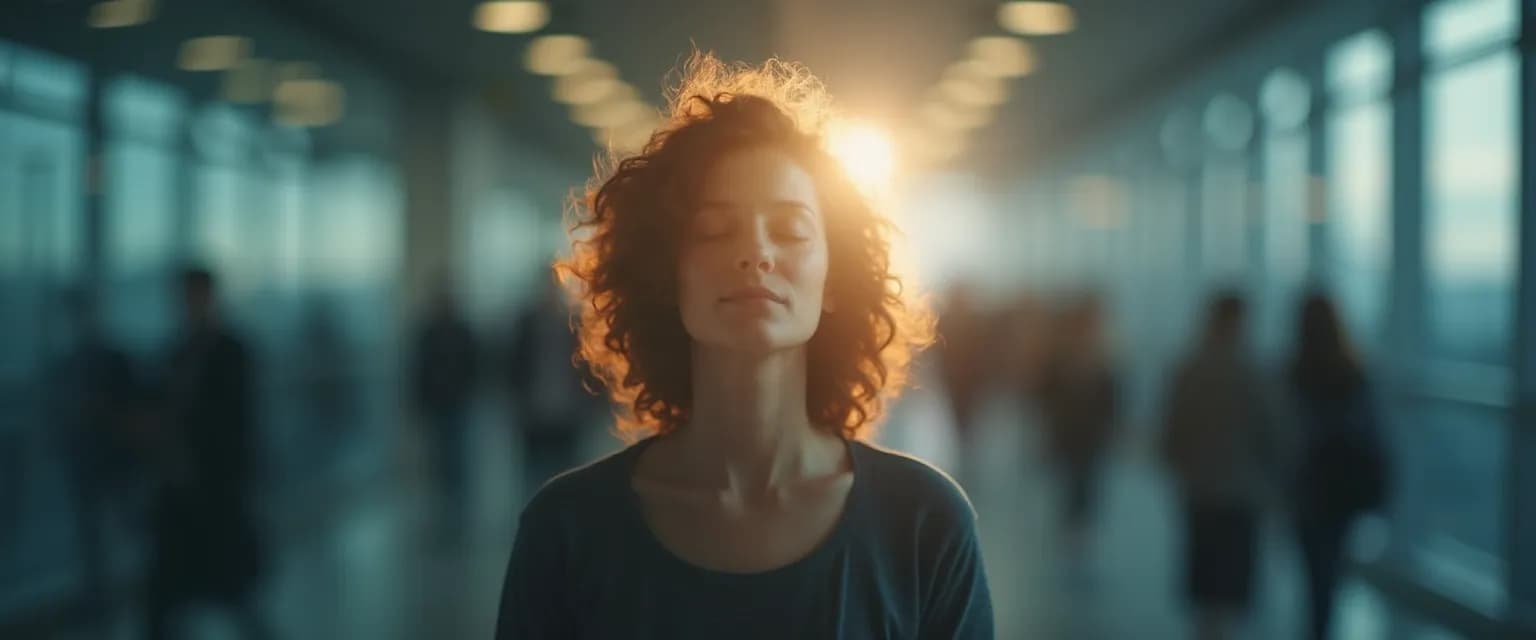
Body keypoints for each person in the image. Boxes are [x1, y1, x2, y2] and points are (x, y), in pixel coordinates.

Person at [495, 53, 992, 638]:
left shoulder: (925, 523)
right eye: (713, 230)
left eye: (790, 231)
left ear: (834, 278)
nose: (756, 254)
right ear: (666, 275)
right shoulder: (567, 530)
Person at [144, 267, 268, 640]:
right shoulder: (177, 349)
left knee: (228, 588)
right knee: (167, 594)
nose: (188, 305)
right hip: (181, 487)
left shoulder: (231, 351)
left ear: (210, 297)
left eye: (194, 296)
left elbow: (233, 422)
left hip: (214, 488)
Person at [1158, 292, 1287, 640]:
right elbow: (1273, 435)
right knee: (1233, 575)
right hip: (1241, 491)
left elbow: (1172, 427)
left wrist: (1178, 465)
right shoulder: (1254, 371)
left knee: (1205, 569)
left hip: (1199, 486)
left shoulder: (1189, 367)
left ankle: (1207, 629)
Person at [1286, 292, 1389, 640]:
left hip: (1306, 487)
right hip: (1342, 490)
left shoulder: (1293, 371)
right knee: (1330, 569)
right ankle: (1322, 627)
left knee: (1314, 570)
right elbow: (1370, 432)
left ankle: (1316, 626)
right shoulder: (1353, 371)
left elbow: (1285, 433)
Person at [1035, 295, 1118, 566]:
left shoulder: (1103, 356)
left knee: (1086, 478)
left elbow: (1112, 396)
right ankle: (1074, 527)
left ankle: (1079, 528)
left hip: (1089, 432)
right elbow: (1045, 392)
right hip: (1070, 430)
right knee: (1076, 477)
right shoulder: (1067, 357)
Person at [506, 276, 603, 498]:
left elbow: (591, 368)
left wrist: (591, 404)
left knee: (567, 471)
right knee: (533, 473)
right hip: (535, 412)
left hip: (568, 413)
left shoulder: (574, 325)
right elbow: (514, 365)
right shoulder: (527, 323)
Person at [412, 287, 481, 528]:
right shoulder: (430, 332)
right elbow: (420, 369)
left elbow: (473, 363)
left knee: (456, 452)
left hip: (456, 401)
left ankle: (455, 503)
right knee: (442, 453)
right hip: (439, 401)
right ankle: (446, 503)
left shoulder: (460, 331)